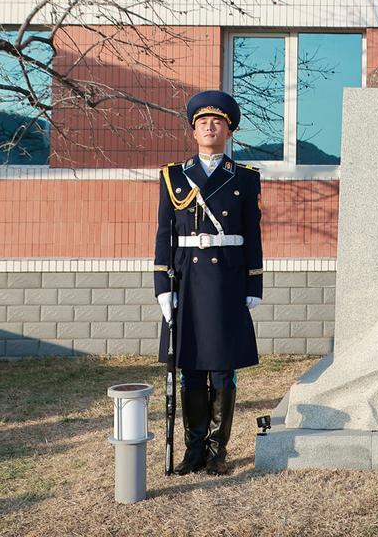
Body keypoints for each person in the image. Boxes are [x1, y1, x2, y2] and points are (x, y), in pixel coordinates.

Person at [154, 90, 263, 475]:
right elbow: (163, 235)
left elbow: (252, 233)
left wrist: (254, 284)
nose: (209, 127)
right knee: (190, 368)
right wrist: (162, 287)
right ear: (193, 131)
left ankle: (218, 450)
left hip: (227, 282)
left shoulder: (245, 179)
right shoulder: (173, 177)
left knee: (222, 368)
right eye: (202, 122)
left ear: (228, 130)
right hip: (187, 280)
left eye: (217, 122)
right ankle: (193, 449)